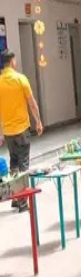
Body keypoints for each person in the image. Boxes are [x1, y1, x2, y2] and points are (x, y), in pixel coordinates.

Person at [0, 50, 43, 212]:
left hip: (8, 132)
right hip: (22, 129)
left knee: (14, 164)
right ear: (12, 61)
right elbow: (32, 103)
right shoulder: (21, 79)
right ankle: (22, 202)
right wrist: (38, 121)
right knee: (23, 165)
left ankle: (15, 196)